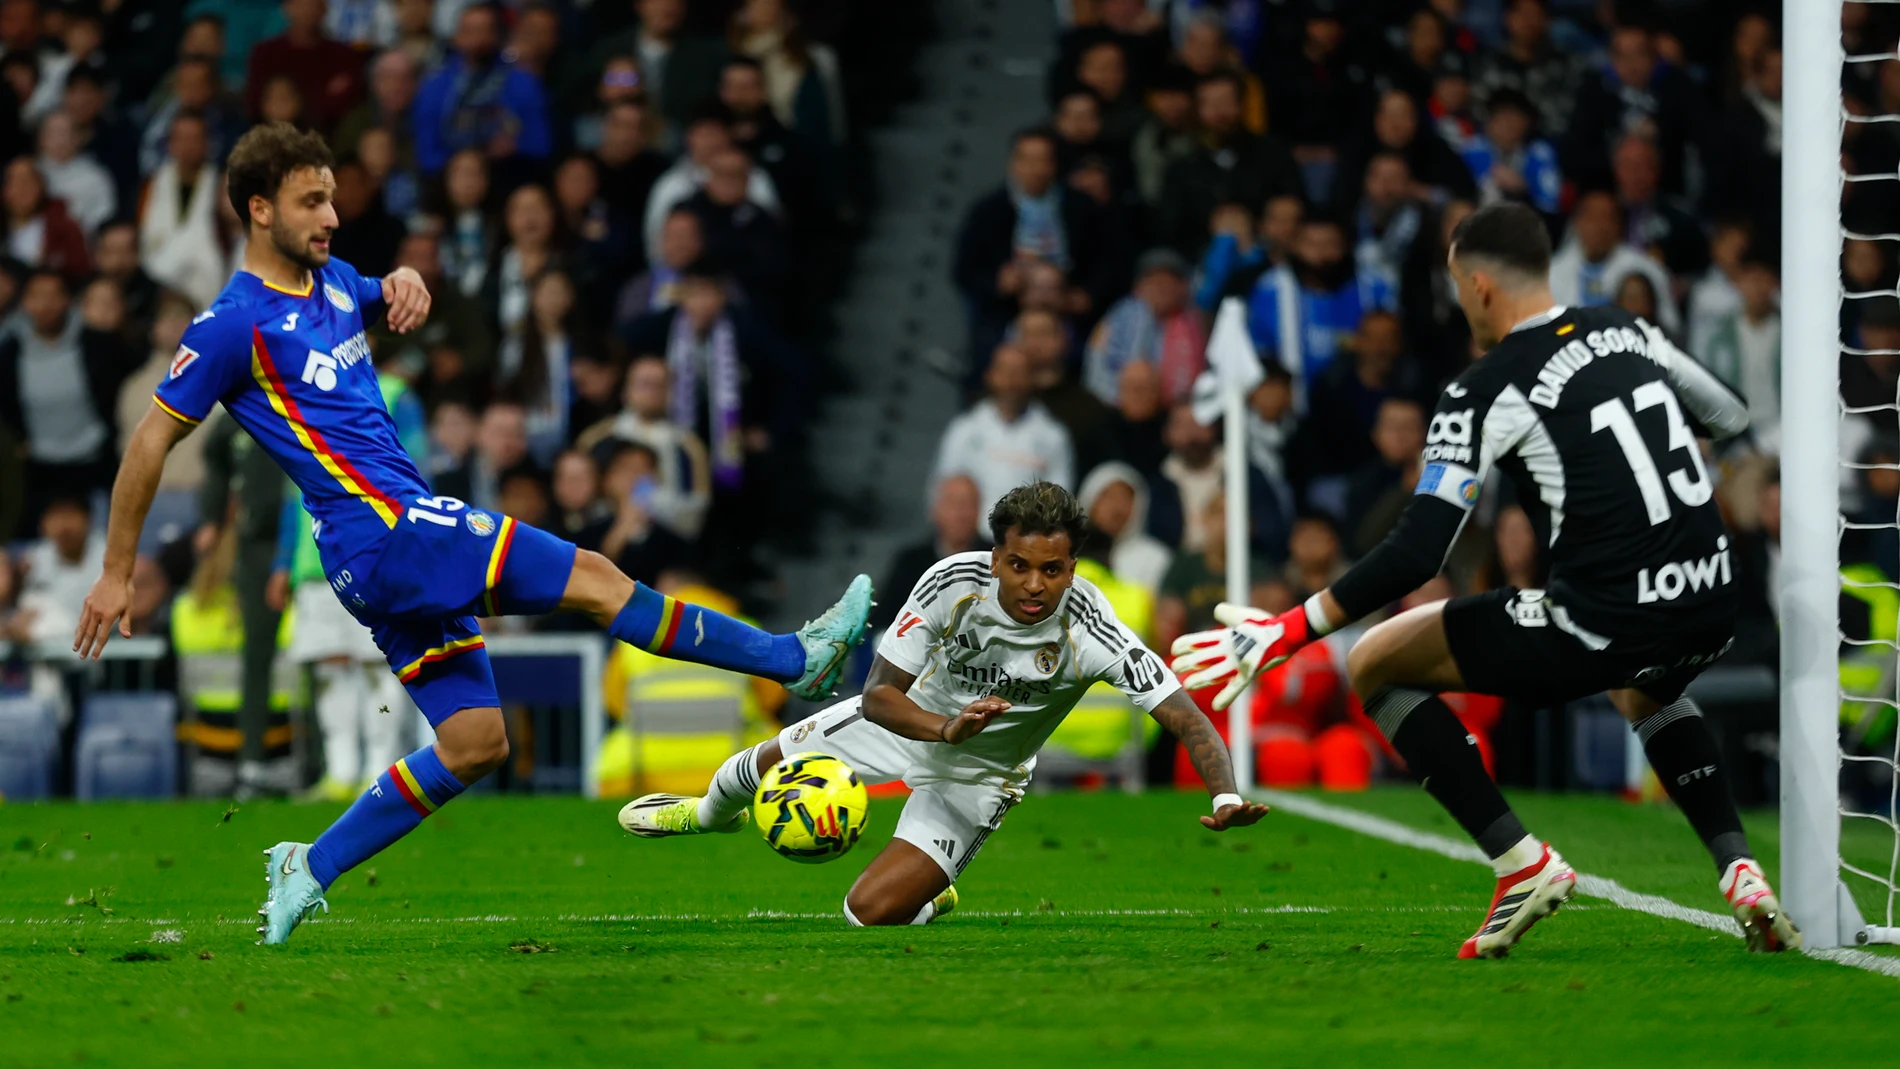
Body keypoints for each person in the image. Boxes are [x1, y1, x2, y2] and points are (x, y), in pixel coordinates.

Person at [71, 123, 876, 947]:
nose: (333, 215)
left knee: (473, 741)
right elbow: (149, 440)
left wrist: (409, 279)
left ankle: (307, 867)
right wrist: (115, 570)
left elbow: (389, 290)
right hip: (389, 533)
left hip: (380, 555)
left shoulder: (337, 282)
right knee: (599, 577)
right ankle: (796, 660)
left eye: (334, 197)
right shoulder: (229, 325)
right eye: (313, 200)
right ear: (259, 208)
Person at [1168, 202, 1797, 959]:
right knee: (1645, 682)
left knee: (1375, 660)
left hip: (1607, 616)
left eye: (1455, 284)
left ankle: (1520, 862)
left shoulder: (1484, 386)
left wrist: (1287, 629)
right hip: (1712, 599)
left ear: (1479, 284)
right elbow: (1726, 411)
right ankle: (1740, 869)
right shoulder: (1624, 328)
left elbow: (1419, 551)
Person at [618, 482, 1267, 924]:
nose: (1034, 584)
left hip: (982, 776)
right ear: (995, 557)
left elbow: (1186, 716)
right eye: (1018, 565)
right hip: (906, 726)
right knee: (744, 770)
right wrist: (943, 725)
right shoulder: (950, 582)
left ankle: (935, 889)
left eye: (1052, 569)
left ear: (1074, 565)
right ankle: (703, 816)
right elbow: (878, 697)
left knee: (865, 914)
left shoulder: (1095, 630)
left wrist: (1224, 796)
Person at [932, 342, 1075, 518]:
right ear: (990, 375)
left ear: (1033, 378)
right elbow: (942, 492)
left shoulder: (1053, 436)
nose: (1011, 380)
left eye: (1019, 372)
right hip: (973, 538)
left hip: (1026, 538)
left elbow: (1059, 501)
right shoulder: (964, 429)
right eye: (1005, 371)